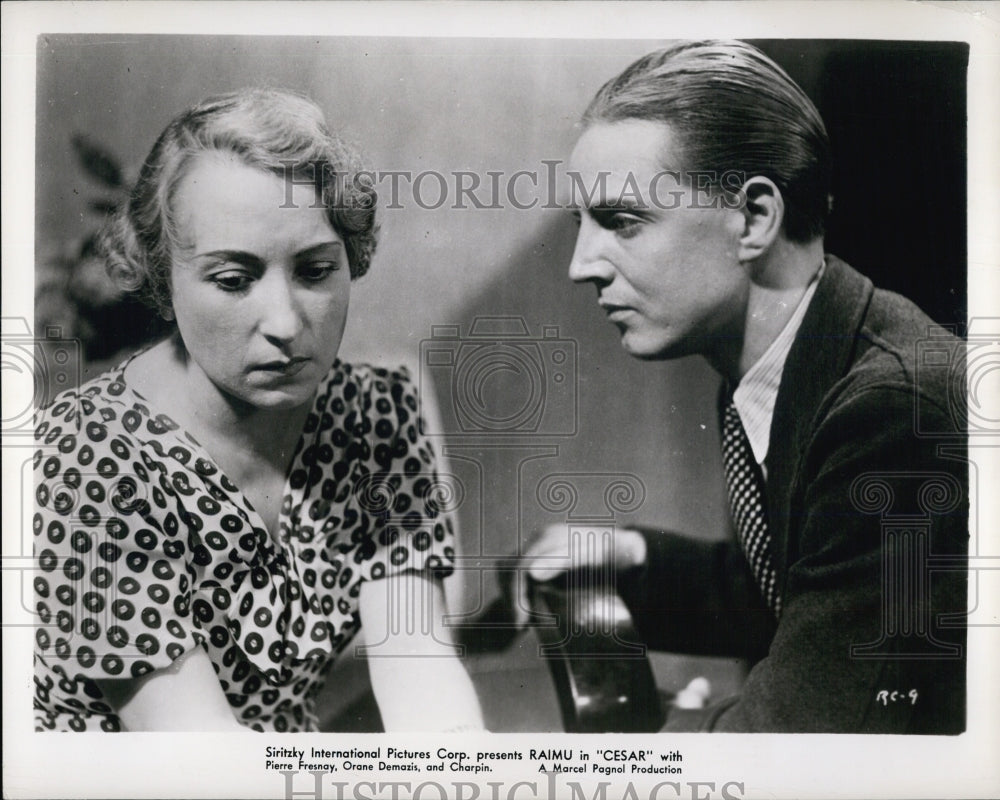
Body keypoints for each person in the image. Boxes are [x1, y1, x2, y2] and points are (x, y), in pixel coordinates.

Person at [514, 40, 967, 732]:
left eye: (622, 222)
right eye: (583, 226)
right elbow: (811, 584)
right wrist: (635, 556)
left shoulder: (892, 409)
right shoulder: (778, 364)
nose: (582, 267)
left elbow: (801, 732)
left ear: (754, 218)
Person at [33, 88, 484, 733]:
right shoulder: (84, 461)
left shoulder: (378, 415)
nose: (285, 322)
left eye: (314, 270)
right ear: (163, 278)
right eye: (234, 279)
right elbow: (202, 758)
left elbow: (419, 664)